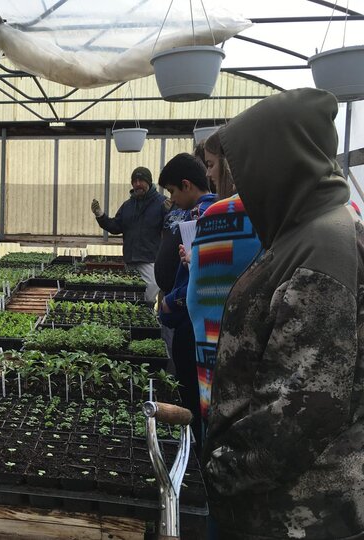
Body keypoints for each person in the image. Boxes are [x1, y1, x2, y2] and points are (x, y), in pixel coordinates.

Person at [202, 88, 364, 539]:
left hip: (296, 514)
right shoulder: (303, 233)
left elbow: (300, 413)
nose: (238, 186)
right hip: (278, 505)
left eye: (245, 169)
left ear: (275, 165)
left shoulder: (322, 247)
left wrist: (218, 471)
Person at [187, 131, 260, 429]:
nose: (208, 173)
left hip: (225, 368)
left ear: (232, 165)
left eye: (212, 164)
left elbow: (201, 301)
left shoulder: (224, 214)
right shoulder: (347, 216)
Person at [157, 153, 216, 450]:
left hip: (191, 323)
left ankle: (193, 449)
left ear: (186, 185)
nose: (172, 199)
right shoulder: (201, 213)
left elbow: (202, 277)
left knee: (191, 391)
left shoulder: (202, 216)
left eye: (172, 192)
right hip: (191, 319)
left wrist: (173, 301)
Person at [91, 166, 167, 302]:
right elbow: (115, 226)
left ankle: (148, 318)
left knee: (148, 297)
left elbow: (171, 228)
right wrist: (100, 215)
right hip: (130, 260)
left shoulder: (162, 203)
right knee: (132, 298)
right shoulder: (128, 205)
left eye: (141, 180)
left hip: (150, 260)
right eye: (135, 181)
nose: (138, 184)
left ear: (149, 182)